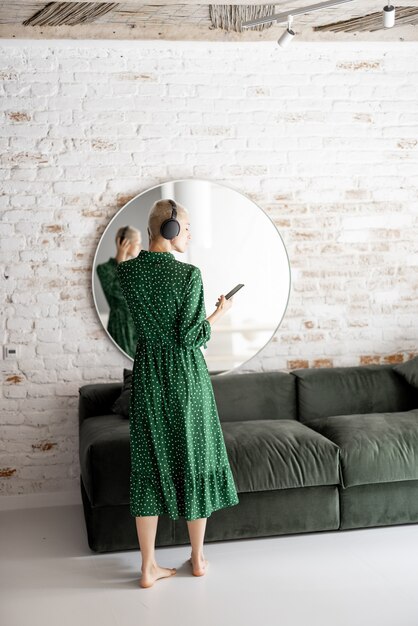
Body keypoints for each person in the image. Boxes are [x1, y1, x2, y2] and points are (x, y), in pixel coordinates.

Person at [116, 199, 239, 589]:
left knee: (149, 464)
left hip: (149, 374)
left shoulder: (127, 273)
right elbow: (189, 337)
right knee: (194, 459)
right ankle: (198, 558)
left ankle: (148, 566)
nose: (190, 235)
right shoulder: (189, 275)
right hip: (186, 379)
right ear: (170, 232)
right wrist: (219, 314)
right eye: (186, 228)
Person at [96, 226, 141, 358]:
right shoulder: (103, 269)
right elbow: (120, 292)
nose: (140, 246)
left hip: (138, 326)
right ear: (124, 243)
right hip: (120, 326)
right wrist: (121, 262)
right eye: (137, 242)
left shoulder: (136, 270)